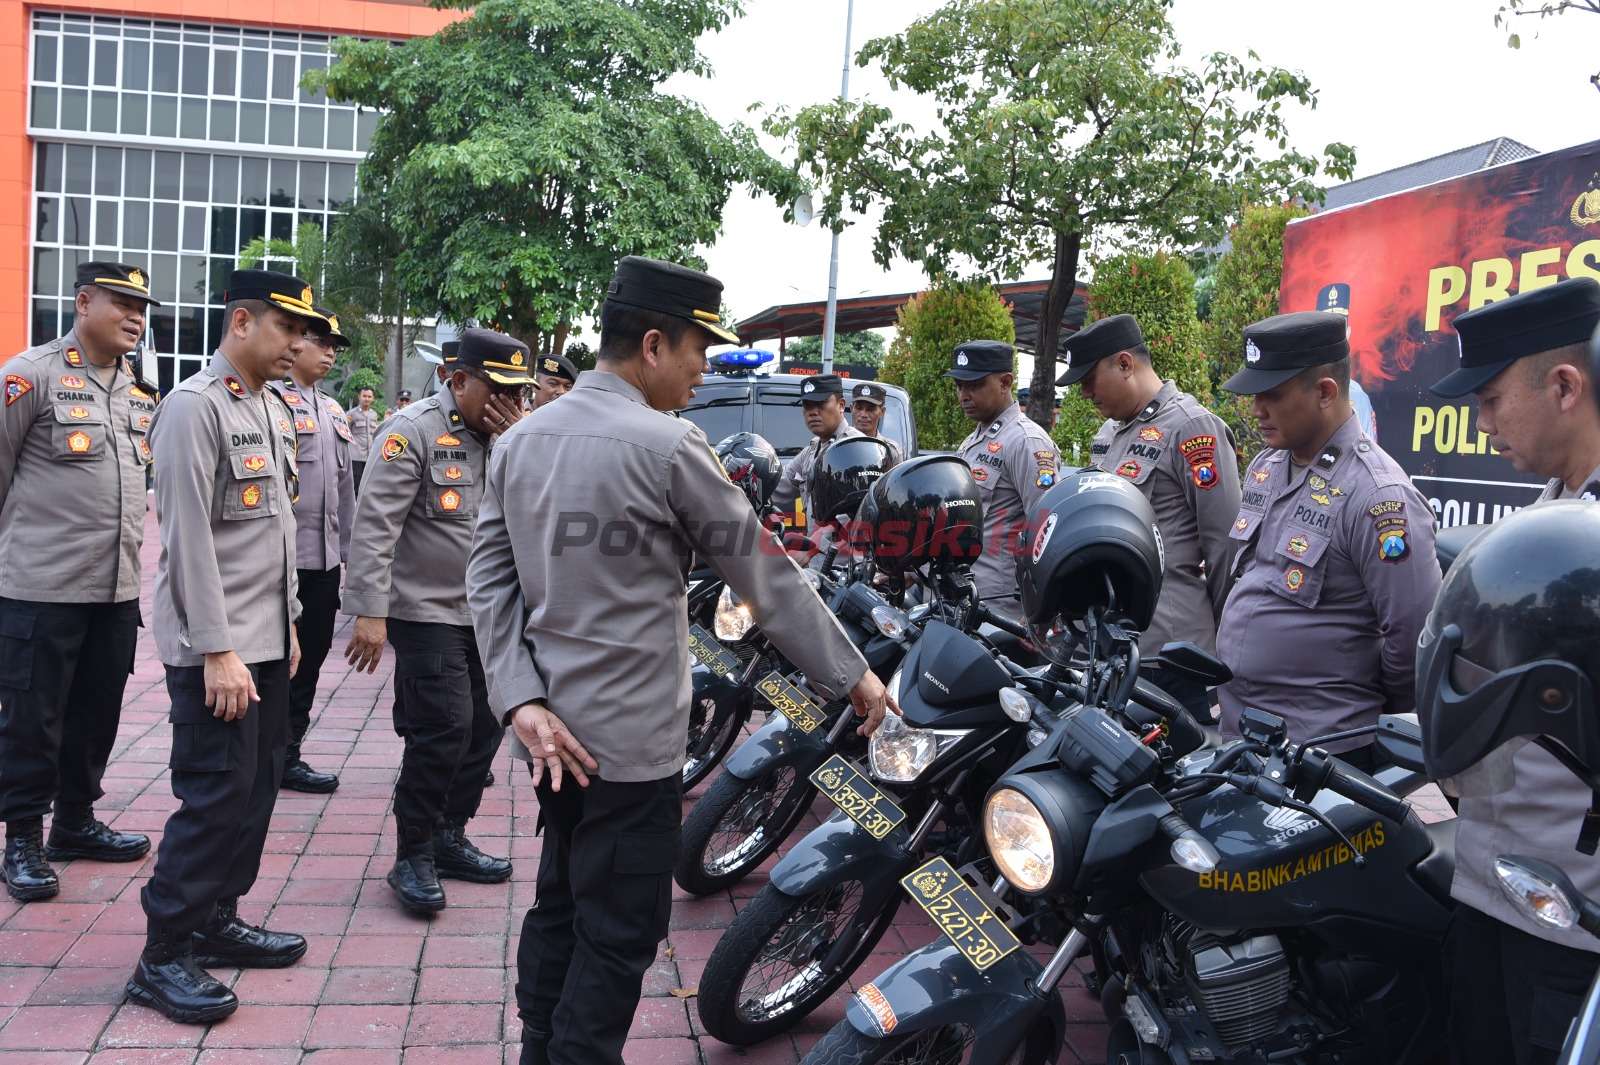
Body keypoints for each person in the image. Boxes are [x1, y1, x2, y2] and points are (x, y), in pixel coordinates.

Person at [466, 255, 895, 1065]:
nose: (704, 371)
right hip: (630, 747)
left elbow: (487, 580)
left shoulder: (520, 441)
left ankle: (538, 1047)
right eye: (700, 350)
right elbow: (764, 574)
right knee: (619, 929)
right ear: (654, 344)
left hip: (550, 735)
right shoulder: (668, 447)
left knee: (559, 898)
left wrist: (520, 700)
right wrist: (855, 674)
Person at [128, 269, 317, 1023]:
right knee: (214, 795)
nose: (297, 345)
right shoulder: (191, 408)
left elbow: (274, 533)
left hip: (265, 642)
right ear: (241, 322)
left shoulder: (269, 407)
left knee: (257, 789)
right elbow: (188, 540)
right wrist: (216, 649)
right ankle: (162, 952)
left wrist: (291, 622)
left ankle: (216, 916)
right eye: (285, 329)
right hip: (218, 650)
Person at [1425, 277, 1600, 1065]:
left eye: (1492, 399)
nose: (1482, 420)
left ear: (1565, 385)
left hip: (1574, 914)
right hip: (1493, 884)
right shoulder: (1548, 514)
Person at [343, 328, 528, 915]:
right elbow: (375, 526)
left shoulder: (513, 437)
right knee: (444, 728)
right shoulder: (413, 432)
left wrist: (514, 439)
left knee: (486, 729)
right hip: (426, 611)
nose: (511, 404)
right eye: (499, 390)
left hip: (491, 613)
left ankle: (451, 835)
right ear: (459, 380)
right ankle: (413, 852)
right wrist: (370, 612)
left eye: (520, 393)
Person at [1214, 311, 1440, 769]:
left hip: (1323, 753)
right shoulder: (1267, 466)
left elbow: (1416, 634)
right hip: (1243, 737)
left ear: (1324, 392)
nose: (1257, 409)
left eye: (1272, 395)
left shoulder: (1378, 496)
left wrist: (1368, 705)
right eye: (1255, 395)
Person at [0, 261, 158, 902]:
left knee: (96, 714)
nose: (136, 318)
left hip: (116, 590)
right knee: (33, 720)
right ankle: (22, 840)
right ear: (83, 301)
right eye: (122, 303)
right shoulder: (27, 377)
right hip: (40, 589)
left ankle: (74, 822)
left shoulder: (139, 391)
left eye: (143, 308)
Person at [1057, 314, 1241, 718]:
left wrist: (1218, 637)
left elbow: (1227, 547)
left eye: (1089, 379)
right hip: (1111, 643)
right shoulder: (1108, 435)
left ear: (1125, 364)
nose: (1085, 393)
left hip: (1169, 652)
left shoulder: (1192, 428)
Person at [266, 309, 355, 795]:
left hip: (322, 565)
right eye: (319, 340)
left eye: (334, 346)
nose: (328, 352)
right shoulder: (270, 401)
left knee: (311, 661)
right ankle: (266, 754)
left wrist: (351, 562)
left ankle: (289, 753)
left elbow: (346, 498)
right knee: (278, 663)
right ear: (295, 342)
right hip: (282, 562)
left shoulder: (334, 411)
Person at [948, 340, 1062, 610]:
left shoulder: (1026, 441)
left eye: (974, 385)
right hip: (963, 596)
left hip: (999, 607)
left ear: (1005, 382)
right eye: (959, 386)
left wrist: (1040, 610)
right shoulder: (974, 440)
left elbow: (1048, 532)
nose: (964, 395)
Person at [770, 373, 862, 537]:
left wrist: (816, 545)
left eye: (820, 403)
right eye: (807, 405)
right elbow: (776, 487)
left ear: (841, 405)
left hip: (849, 560)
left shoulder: (856, 446)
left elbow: (858, 514)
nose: (812, 412)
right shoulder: (811, 451)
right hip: (818, 559)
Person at [850, 381, 903, 467]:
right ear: (852, 409)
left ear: (882, 412)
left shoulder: (890, 451)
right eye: (859, 408)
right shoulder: (836, 445)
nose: (863, 415)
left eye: (870, 409)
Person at [348, 386, 379, 489]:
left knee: (368, 484)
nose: (367, 399)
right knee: (356, 485)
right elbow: (345, 432)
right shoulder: (351, 414)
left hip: (370, 456)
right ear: (359, 397)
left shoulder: (374, 415)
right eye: (364, 396)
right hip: (355, 456)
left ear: (373, 398)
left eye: (369, 396)